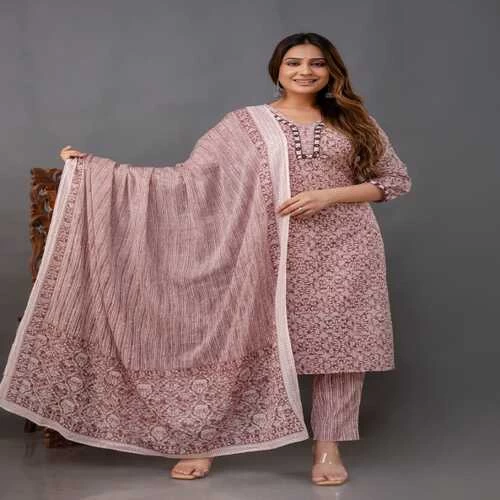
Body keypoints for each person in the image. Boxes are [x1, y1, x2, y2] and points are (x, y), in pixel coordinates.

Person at [58, 32, 411, 485]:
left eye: (317, 63)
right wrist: (94, 170)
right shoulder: (245, 124)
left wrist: (329, 195)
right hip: (263, 249)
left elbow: (394, 180)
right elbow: (190, 179)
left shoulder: (356, 121)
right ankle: (208, 440)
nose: (305, 71)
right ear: (277, 69)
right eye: (294, 62)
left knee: (340, 351)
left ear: (332, 71)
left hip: (345, 248)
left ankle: (328, 448)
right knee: (241, 339)